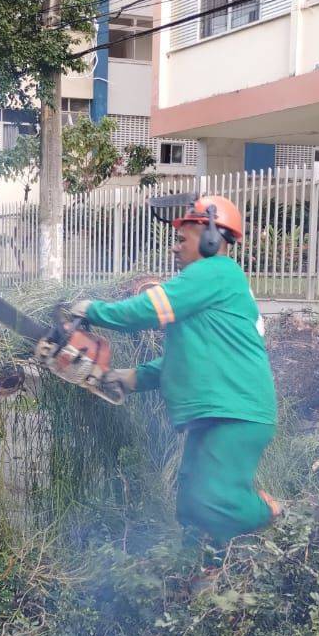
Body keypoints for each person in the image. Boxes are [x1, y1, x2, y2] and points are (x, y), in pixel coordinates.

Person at [68, 194, 279, 545]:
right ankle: (202, 579)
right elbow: (185, 359)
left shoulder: (216, 272)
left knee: (214, 504)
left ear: (211, 237)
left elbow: (146, 310)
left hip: (236, 411)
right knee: (192, 509)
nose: (174, 247)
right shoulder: (213, 286)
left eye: (182, 238)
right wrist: (130, 377)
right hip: (220, 411)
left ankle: (272, 512)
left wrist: (92, 310)